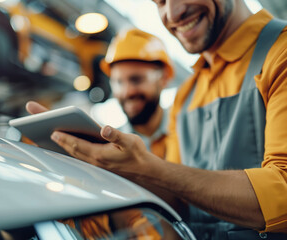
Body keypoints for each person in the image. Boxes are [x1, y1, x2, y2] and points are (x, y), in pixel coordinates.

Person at [27, 0, 287, 238]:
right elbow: (179, 200)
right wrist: (104, 168)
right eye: (159, 1)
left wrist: (149, 167)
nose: (172, 14)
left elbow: (282, 195)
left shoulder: (280, 53)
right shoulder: (186, 97)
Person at [100, 28, 174, 159]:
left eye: (136, 80)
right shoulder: (110, 147)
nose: (127, 92)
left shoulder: (191, 131)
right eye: (119, 82)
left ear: (163, 78)